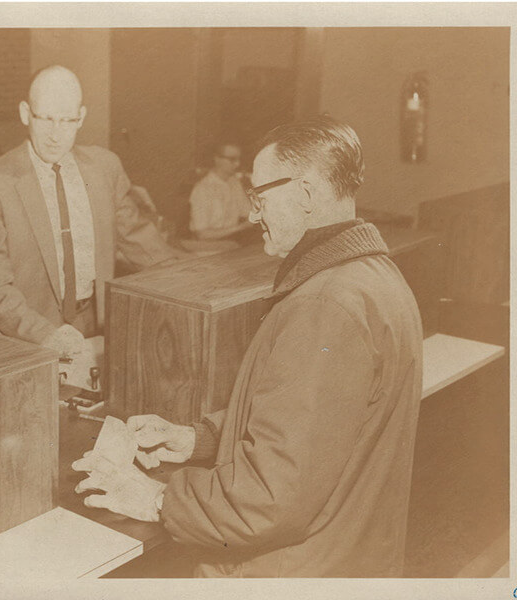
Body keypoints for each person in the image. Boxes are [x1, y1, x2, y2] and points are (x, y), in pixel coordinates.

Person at [73, 116, 424, 577]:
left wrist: (157, 498)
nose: (253, 215)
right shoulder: (374, 278)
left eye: (259, 197)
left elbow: (266, 501)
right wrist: (197, 438)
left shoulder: (324, 306)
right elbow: (315, 426)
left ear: (305, 193)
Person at [0, 65, 184, 357]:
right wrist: (45, 335)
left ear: (82, 118)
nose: (56, 135)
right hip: (28, 335)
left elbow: (144, 244)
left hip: (95, 323)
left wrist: (188, 283)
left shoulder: (104, 167)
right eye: (46, 119)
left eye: (67, 120)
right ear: (25, 113)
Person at [188, 141, 254, 241]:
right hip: (206, 246)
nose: (237, 164)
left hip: (231, 242)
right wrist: (241, 227)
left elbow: (248, 213)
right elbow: (202, 234)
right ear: (217, 159)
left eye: (239, 159)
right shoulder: (202, 189)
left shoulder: (235, 183)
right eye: (232, 159)